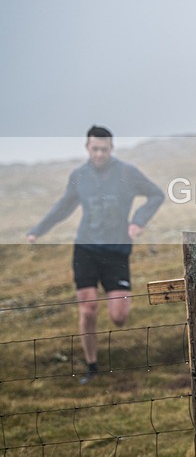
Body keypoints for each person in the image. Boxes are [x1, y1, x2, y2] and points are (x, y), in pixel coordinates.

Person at [26, 126, 164, 384]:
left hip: (116, 251)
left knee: (119, 316)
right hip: (86, 248)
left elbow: (157, 194)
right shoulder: (79, 175)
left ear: (112, 148)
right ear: (87, 148)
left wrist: (138, 221)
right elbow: (63, 206)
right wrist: (38, 230)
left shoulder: (127, 172)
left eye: (104, 149)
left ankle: (116, 316)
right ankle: (92, 366)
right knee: (88, 308)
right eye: (95, 149)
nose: (99, 154)